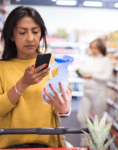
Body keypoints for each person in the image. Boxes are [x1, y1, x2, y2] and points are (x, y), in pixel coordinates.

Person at [0, 6, 72, 148]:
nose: (30, 38)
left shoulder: (54, 65)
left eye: (35, 32)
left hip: (47, 144)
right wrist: (23, 83)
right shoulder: (2, 68)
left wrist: (64, 109)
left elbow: (64, 108)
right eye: (22, 32)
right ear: (11, 35)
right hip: (10, 145)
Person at [76, 38, 113, 146]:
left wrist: (92, 76)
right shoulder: (89, 59)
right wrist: (81, 74)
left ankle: (98, 143)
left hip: (99, 93)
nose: (93, 50)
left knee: (99, 120)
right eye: (91, 47)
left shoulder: (106, 61)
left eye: (95, 48)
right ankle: (85, 141)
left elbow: (107, 77)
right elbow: (86, 72)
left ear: (100, 48)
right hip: (87, 92)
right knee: (81, 117)